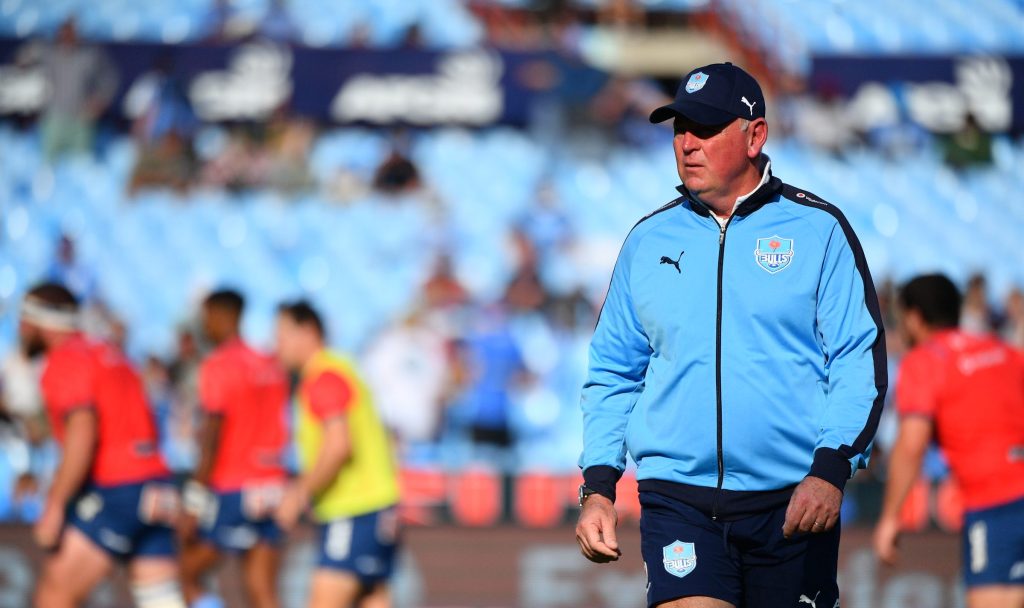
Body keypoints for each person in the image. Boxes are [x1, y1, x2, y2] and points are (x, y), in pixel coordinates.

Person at [575, 62, 886, 608]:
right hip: (678, 499)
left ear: (755, 135)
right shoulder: (648, 240)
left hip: (792, 502)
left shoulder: (820, 230)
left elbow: (858, 360)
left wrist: (831, 470)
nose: (687, 144)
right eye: (679, 129)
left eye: (706, 128)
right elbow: (611, 372)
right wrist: (599, 487)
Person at [20, 283, 185, 608]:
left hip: (118, 489)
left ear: (38, 322)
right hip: (157, 486)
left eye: (24, 320)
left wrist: (55, 504)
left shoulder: (66, 359)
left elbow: (83, 431)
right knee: (161, 601)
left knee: (55, 594)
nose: (20, 330)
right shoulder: (109, 354)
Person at [873, 274, 1024, 608]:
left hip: (995, 505)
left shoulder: (925, 361)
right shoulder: (1003, 350)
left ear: (913, 317)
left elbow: (910, 446)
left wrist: (889, 519)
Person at [273, 301, 400, 608]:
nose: (276, 345)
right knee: (373, 599)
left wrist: (300, 493)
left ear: (308, 331)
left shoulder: (322, 377)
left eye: (282, 335)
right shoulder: (342, 367)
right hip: (376, 506)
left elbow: (338, 444)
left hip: (354, 510)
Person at [178, 290, 289, 608]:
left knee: (185, 576)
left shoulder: (218, 364)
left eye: (206, 318)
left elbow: (212, 437)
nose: (204, 326)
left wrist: (194, 500)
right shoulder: (270, 364)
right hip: (272, 485)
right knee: (262, 590)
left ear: (221, 315)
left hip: (234, 487)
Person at [40, 18, 119, 161]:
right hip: (54, 118)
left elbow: (110, 79)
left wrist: (99, 101)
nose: (67, 37)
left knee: (80, 166)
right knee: (49, 165)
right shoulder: (48, 54)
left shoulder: (89, 56)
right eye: (64, 33)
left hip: (81, 120)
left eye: (71, 33)